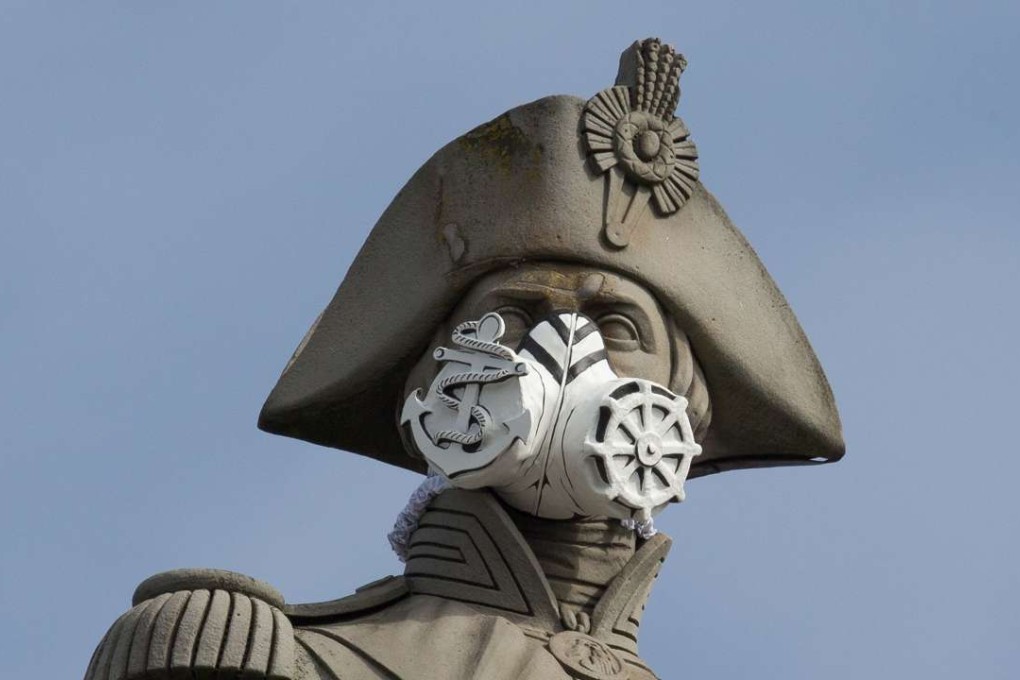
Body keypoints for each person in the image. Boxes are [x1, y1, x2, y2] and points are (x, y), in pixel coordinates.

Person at [84, 38, 843, 680]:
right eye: (514, 316)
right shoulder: (255, 658)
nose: (561, 353)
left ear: (688, 402)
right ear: (430, 379)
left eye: (616, 323)